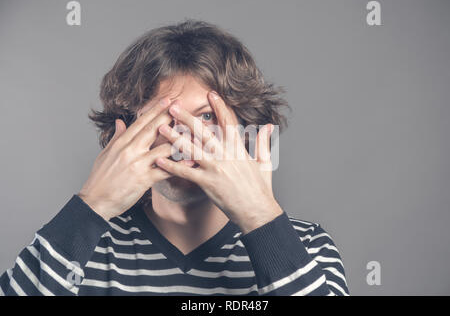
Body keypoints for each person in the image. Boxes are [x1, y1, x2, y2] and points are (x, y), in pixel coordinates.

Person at [0, 20, 349, 296]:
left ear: (247, 128)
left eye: (207, 116)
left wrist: (260, 216)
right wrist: (92, 206)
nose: (183, 135)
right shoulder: (82, 250)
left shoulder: (307, 246)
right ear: (125, 131)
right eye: (160, 115)